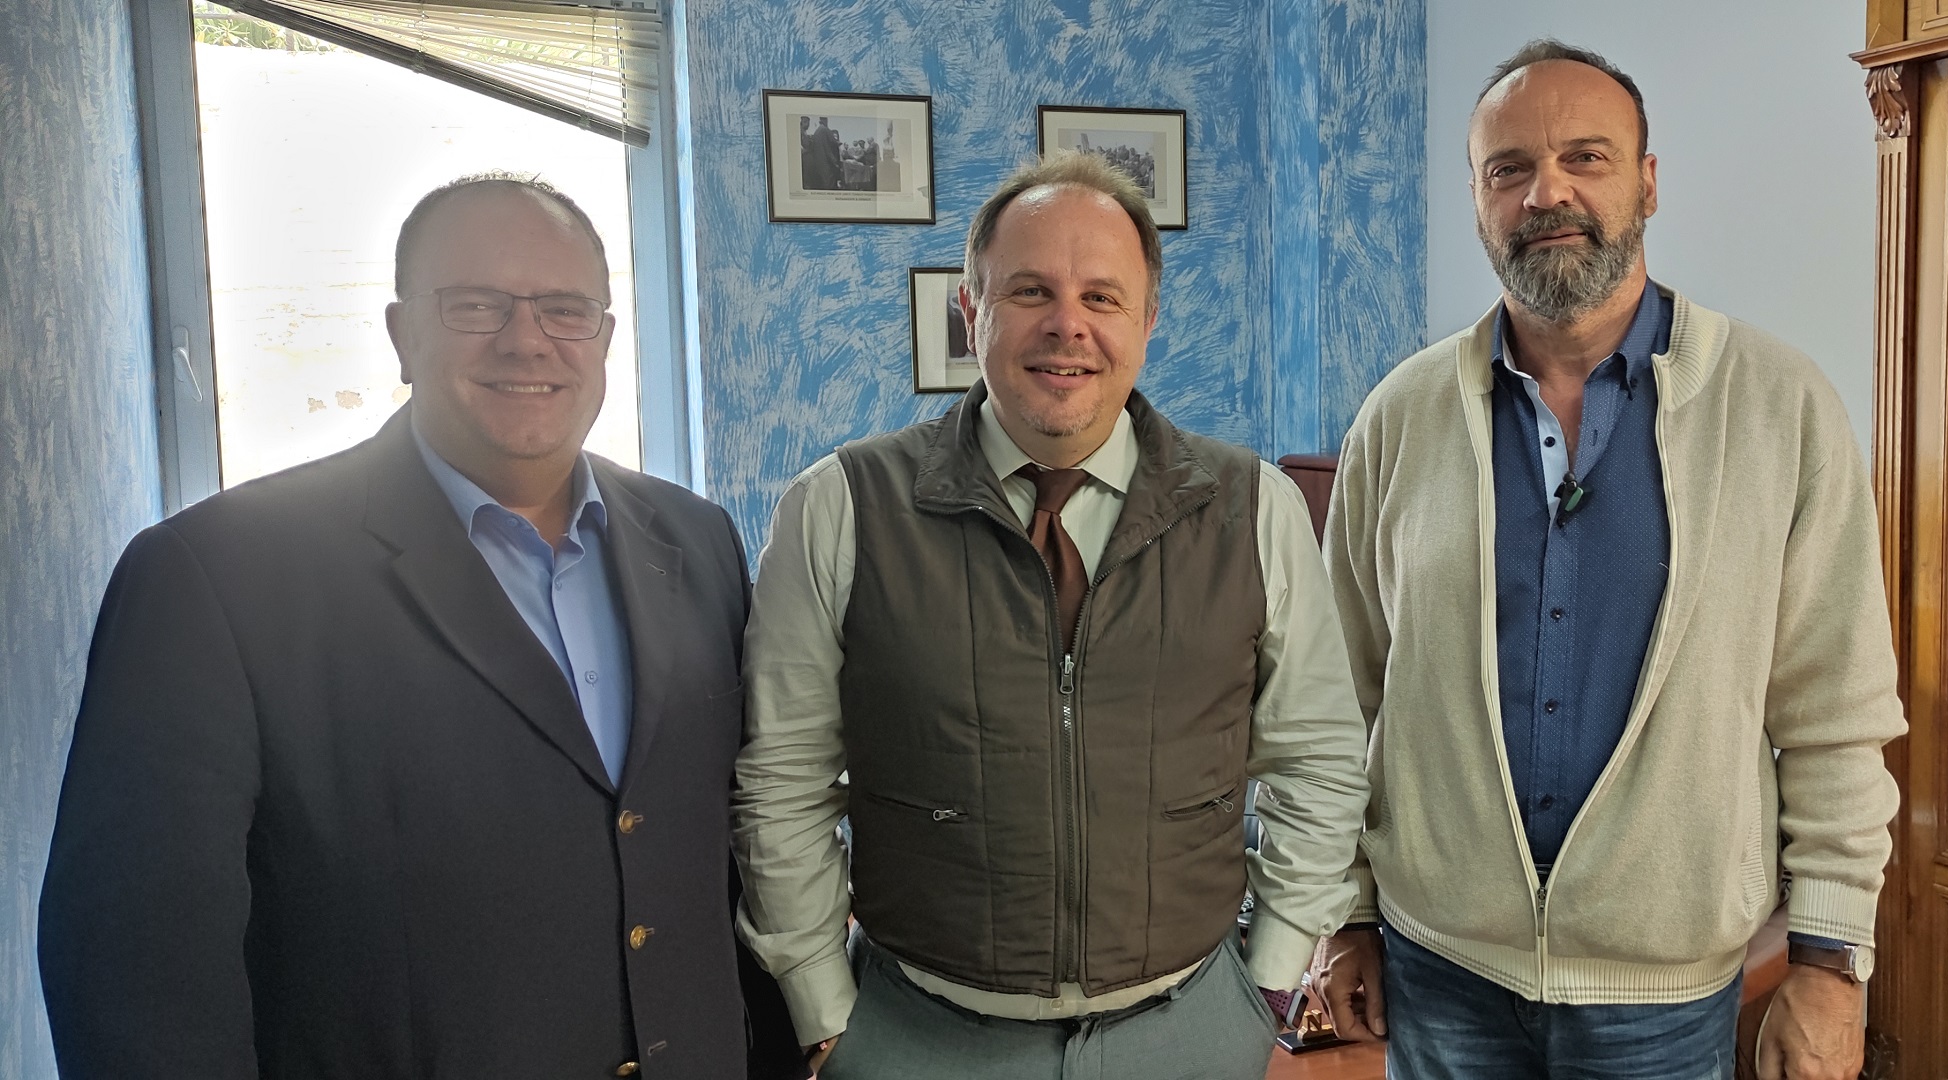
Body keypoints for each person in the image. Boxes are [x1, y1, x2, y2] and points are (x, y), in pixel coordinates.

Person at [39, 173, 794, 1079]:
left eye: (565, 309)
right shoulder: (216, 575)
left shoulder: (698, 540)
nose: (527, 340)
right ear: (403, 336)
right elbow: (137, 975)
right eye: (475, 304)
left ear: (604, 337)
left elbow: (728, 852)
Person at [1307, 40, 1905, 1080]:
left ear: (1648, 182)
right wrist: (1343, 911)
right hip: (1440, 972)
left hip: (1663, 997)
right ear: (1478, 199)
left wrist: (1829, 963)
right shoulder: (1398, 418)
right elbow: (1339, 701)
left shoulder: (1781, 409)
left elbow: (1836, 715)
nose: (1548, 193)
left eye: (1586, 157)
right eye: (1509, 169)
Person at [733, 150, 1370, 1080]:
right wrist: (824, 1014)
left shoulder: (1256, 509)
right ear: (971, 311)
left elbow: (1318, 760)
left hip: (1191, 1034)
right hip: (917, 1037)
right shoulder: (840, 506)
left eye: (1102, 297)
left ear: (1147, 322)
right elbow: (783, 783)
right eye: (1030, 290)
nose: (1068, 325)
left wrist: (1268, 984)